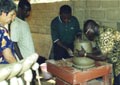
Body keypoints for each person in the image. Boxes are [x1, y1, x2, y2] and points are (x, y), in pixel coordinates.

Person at [81, 19, 120, 85]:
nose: (87, 37)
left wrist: (85, 54)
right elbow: (99, 50)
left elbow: (103, 57)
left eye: (86, 34)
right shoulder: (98, 35)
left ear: (90, 30)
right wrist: (88, 51)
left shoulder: (105, 34)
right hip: (116, 61)